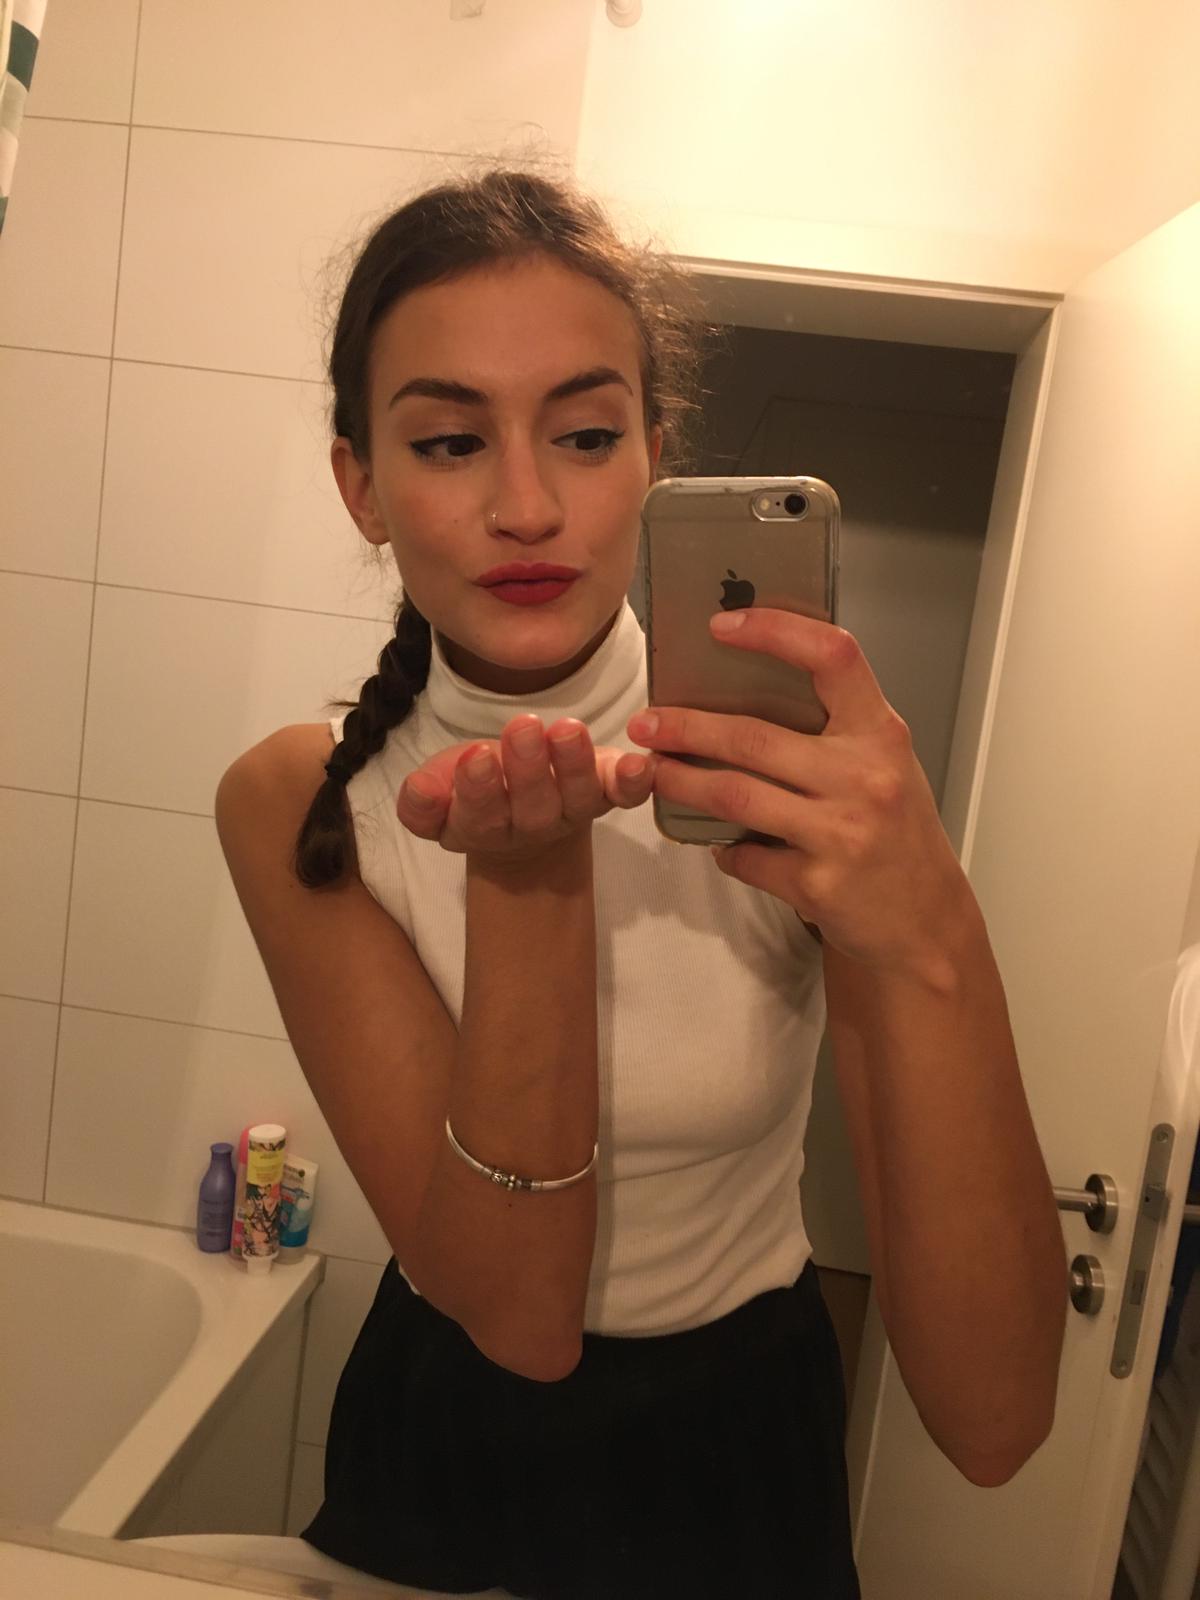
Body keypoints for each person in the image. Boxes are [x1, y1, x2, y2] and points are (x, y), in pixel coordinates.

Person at [215, 165, 1065, 1600]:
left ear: (655, 457)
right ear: (361, 485)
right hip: (451, 1434)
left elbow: (997, 1427)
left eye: (587, 433)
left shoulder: (795, 772)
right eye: (449, 442)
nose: (527, 504)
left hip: (741, 1438)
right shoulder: (302, 805)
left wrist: (932, 928)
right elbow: (517, 1318)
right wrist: (529, 881)